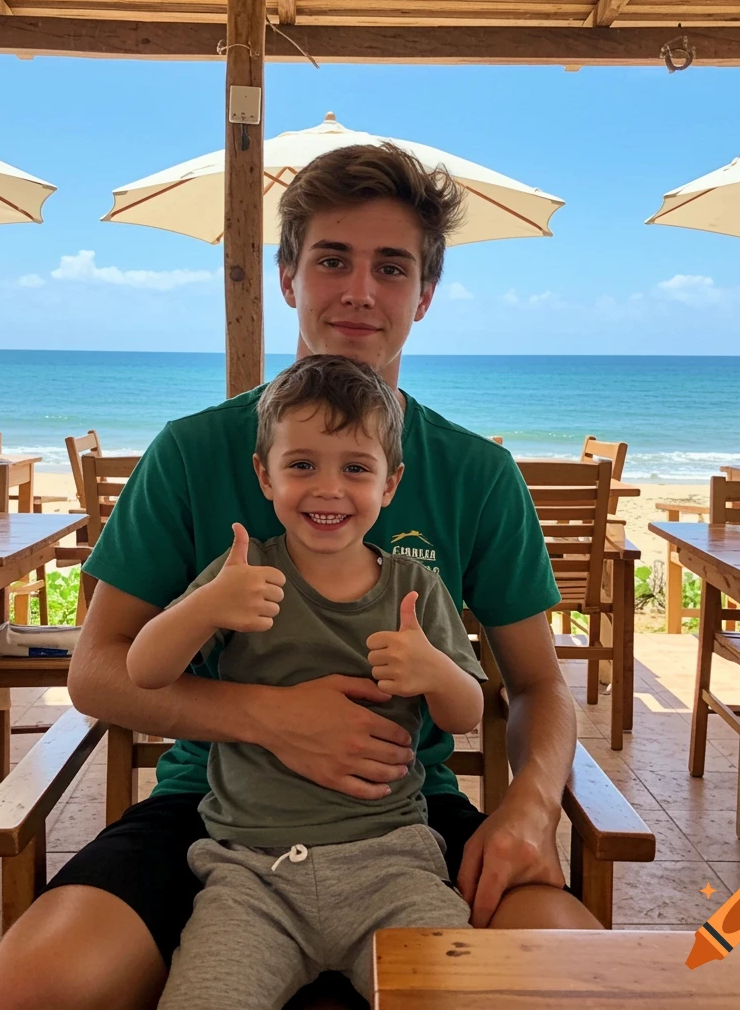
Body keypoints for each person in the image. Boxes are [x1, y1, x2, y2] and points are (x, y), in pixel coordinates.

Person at [0, 141, 599, 1010]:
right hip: (215, 808)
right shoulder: (192, 451)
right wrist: (269, 719)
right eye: (332, 260)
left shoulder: (477, 474)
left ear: (424, 295)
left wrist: (531, 805)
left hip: (402, 814)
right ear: (287, 278)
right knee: (37, 987)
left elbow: (537, 684)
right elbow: (97, 670)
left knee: (576, 974)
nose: (359, 290)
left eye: (392, 267)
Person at [129, 354, 486, 1008]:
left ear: (391, 484)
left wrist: (434, 670)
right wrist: (204, 608)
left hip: (395, 866)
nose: (328, 488)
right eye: (301, 465)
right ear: (264, 476)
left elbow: (466, 713)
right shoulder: (241, 576)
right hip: (250, 873)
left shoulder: (415, 587)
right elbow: (143, 671)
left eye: (355, 468)